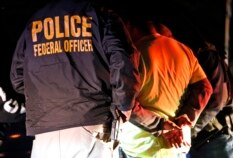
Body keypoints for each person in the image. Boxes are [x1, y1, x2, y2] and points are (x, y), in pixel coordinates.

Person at [9, 0, 140, 158]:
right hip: (90, 123)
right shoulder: (100, 14)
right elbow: (122, 59)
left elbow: (17, 79)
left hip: (44, 135)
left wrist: (47, 98)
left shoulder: (34, 21)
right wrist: (124, 104)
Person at [118, 18, 212, 158]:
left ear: (132, 28)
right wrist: (187, 117)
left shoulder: (132, 53)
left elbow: (125, 103)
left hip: (138, 147)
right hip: (176, 145)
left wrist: (160, 125)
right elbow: (205, 88)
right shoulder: (185, 51)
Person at [188, 42, 233, 158]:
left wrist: (189, 131)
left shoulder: (205, 56)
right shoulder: (206, 55)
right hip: (213, 137)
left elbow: (216, 102)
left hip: (213, 138)